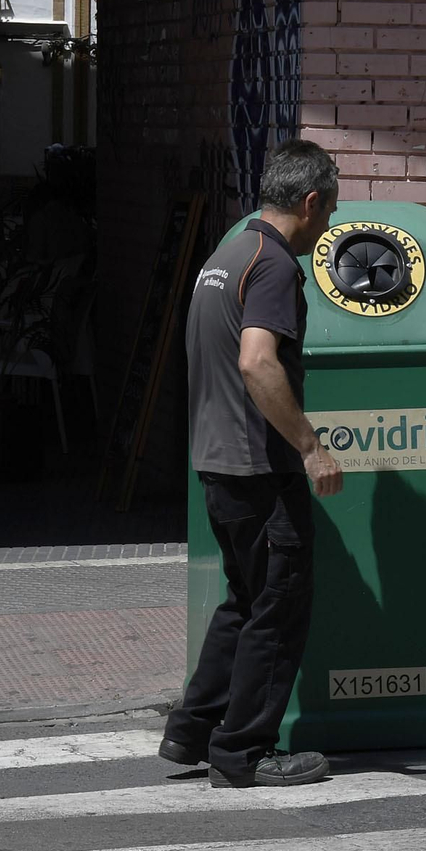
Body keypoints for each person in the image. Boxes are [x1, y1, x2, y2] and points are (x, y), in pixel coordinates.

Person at [159, 139, 344, 788]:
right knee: (279, 605)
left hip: (216, 462)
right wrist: (310, 445)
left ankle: (192, 729)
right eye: (328, 213)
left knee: (245, 599)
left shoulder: (228, 252)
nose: (326, 230)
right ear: (311, 201)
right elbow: (257, 360)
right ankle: (243, 750)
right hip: (259, 469)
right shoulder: (272, 265)